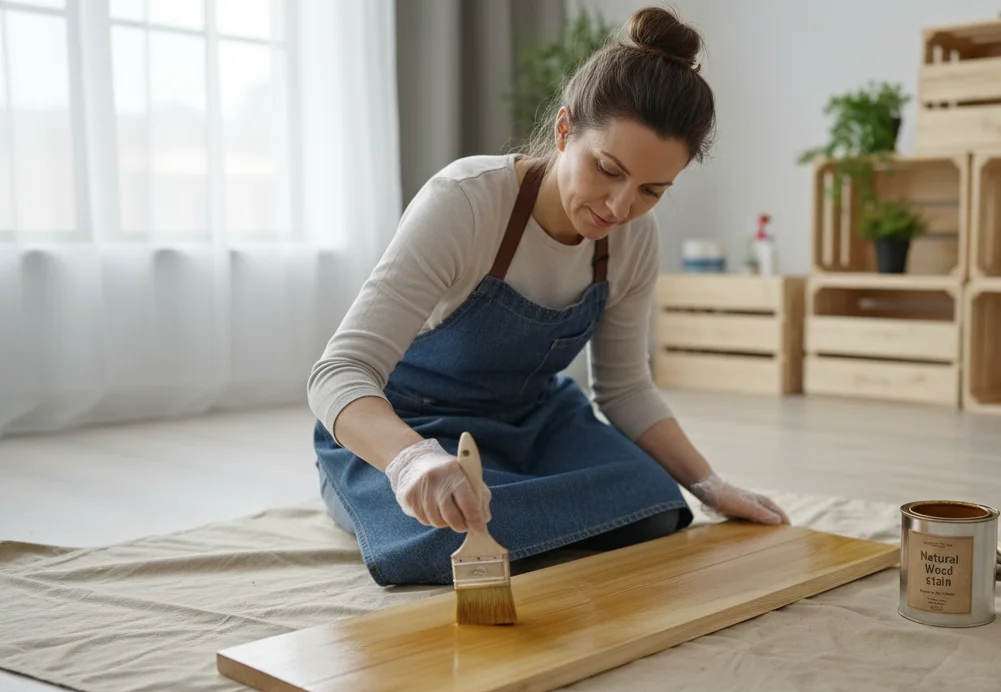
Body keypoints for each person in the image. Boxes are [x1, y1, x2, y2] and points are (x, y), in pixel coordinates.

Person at [307, 6, 790, 586]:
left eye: (652, 190)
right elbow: (338, 374)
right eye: (607, 170)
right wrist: (411, 460)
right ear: (564, 131)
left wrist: (711, 485)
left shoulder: (632, 239)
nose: (619, 207)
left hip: (534, 421)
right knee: (442, 534)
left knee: (655, 505)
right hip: (413, 426)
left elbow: (626, 389)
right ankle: (449, 502)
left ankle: (513, 514)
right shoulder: (465, 203)